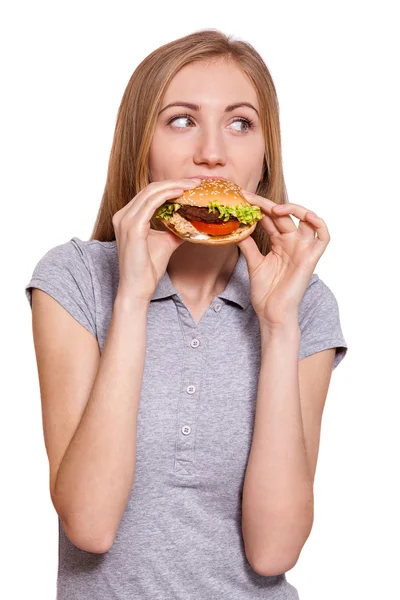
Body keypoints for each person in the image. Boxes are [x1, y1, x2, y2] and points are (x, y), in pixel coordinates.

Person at [24, 29, 348, 600]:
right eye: (181, 120)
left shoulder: (306, 303)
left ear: (265, 153)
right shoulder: (74, 278)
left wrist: (278, 328)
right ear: (140, 144)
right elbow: (90, 525)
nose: (212, 152)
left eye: (240, 123)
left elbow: (274, 551)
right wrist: (131, 297)